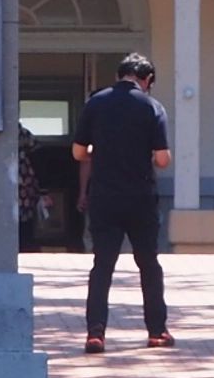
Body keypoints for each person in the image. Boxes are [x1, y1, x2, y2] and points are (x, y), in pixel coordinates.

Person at [72, 52, 174, 353]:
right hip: (140, 197)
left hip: (104, 195)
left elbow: (78, 153)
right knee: (148, 264)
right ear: (147, 80)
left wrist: (102, 153)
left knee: (102, 265)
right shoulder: (152, 106)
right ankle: (156, 331)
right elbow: (162, 159)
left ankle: (96, 333)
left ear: (119, 75)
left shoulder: (96, 102)